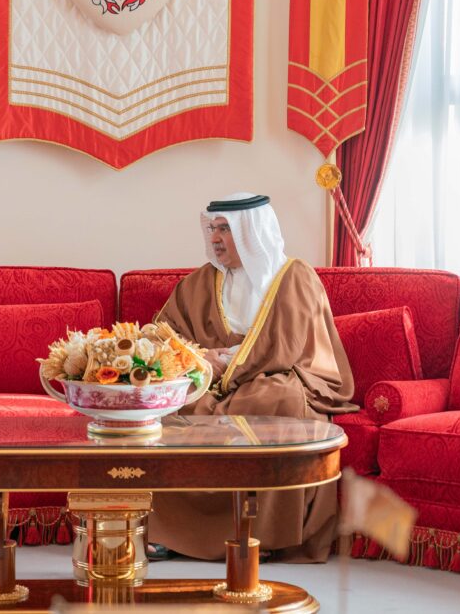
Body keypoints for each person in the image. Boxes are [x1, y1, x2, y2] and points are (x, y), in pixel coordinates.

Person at [147, 192, 357, 563]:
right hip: (207, 378)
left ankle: (266, 535)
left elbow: (287, 345)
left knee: (279, 401)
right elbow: (162, 334)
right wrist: (199, 359)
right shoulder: (200, 282)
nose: (215, 238)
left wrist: (228, 364)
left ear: (252, 232)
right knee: (171, 404)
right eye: (213, 228)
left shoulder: (294, 277)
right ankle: (173, 534)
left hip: (276, 374)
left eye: (225, 229)